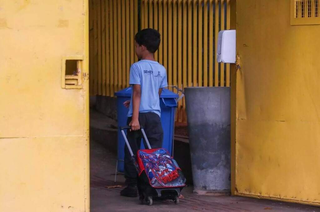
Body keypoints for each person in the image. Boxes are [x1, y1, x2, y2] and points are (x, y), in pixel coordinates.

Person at [120, 28, 168, 197]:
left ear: (142, 47)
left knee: (132, 150)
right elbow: (157, 92)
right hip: (154, 116)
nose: (135, 48)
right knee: (153, 151)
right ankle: (152, 185)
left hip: (138, 115)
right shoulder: (161, 69)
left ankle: (132, 186)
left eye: (136, 45)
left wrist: (134, 117)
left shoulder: (136, 67)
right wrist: (132, 101)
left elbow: (138, 92)